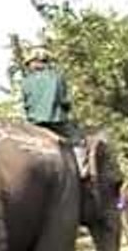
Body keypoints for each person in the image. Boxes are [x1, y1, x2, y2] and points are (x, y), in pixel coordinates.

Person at [20, 46, 89, 177]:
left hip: (33, 123)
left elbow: (26, 105)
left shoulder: (26, 81)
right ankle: (81, 172)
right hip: (56, 121)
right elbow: (64, 101)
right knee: (79, 141)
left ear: (32, 63)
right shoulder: (57, 77)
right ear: (45, 61)